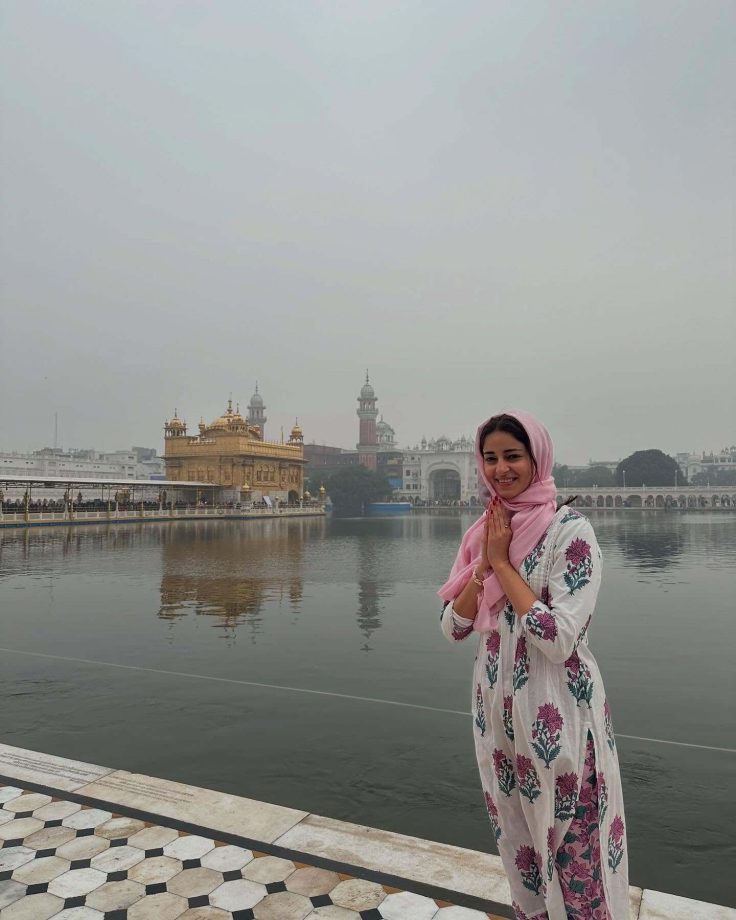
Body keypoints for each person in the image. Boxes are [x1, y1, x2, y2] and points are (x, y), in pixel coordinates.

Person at [439, 410, 628, 920]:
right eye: (491, 457)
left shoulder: (572, 533)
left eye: (513, 456)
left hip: (559, 719)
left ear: (538, 458)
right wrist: (483, 565)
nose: (501, 469)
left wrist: (502, 563)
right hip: (500, 724)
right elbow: (453, 627)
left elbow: (559, 638)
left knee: (575, 858)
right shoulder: (487, 529)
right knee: (522, 859)